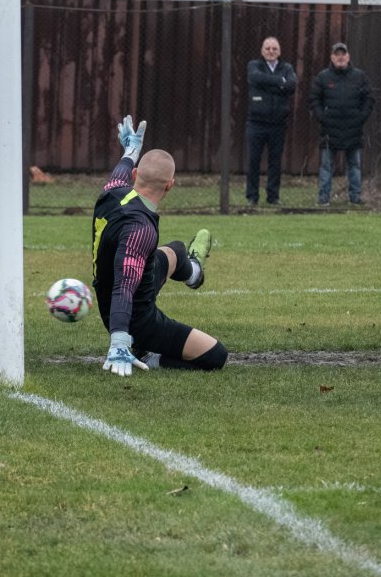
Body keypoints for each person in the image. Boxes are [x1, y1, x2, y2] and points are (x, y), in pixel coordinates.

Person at [91, 116, 227, 376]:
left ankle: (194, 271)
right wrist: (120, 340)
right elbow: (124, 286)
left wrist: (131, 151)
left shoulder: (112, 190)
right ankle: (148, 355)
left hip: (110, 294)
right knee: (216, 355)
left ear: (134, 175)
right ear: (170, 185)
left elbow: (122, 169)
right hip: (136, 320)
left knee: (176, 250)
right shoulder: (141, 229)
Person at [310, 42, 375, 206]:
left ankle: (355, 197)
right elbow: (314, 100)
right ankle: (324, 198)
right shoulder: (323, 77)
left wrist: (361, 117)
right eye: (337, 54)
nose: (340, 57)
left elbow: (369, 99)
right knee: (326, 166)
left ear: (348, 56)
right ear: (332, 57)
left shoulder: (360, 76)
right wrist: (322, 117)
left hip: (353, 129)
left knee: (354, 165)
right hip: (329, 130)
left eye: (343, 54)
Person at [245, 36, 297, 206]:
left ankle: (273, 196)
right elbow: (255, 78)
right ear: (262, 50)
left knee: (275, 162)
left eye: (274, 48)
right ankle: (252, 196)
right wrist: (279, 82)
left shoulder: (286, 67)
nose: (271, 51)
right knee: (253, 160)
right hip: (256, 123)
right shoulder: (254, 65)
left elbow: (291, 86)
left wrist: (272, 85)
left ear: (279, 51)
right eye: (267, 48)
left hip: (278, 123)